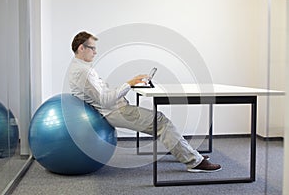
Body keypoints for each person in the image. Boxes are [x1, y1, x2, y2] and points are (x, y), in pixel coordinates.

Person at [68, 31, 221, 173]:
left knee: (159, 123)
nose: (95, 52)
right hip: (114, 111)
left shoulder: (80, 67)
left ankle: (186, 153)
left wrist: (131, 83)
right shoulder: (83, 71)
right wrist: (129, 83)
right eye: (92, 48)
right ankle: (194, 162)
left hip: (114, 108)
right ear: (82, 48)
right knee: (160, 122)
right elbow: (105, 100)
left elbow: (101, 94)